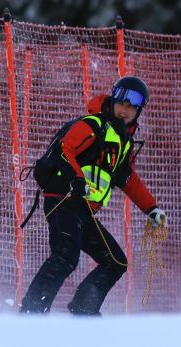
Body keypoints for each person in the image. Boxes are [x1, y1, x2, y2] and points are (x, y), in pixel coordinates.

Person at [20, 76, 167, 315]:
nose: (125, 110)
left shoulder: (122, 143)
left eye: (132, 107)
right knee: (66, 256)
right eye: (122, 103)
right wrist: (77, 179)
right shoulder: (92, 125)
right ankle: (31, 312)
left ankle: (83, 310)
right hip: (63, 199)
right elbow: (65, 150)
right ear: (113, 99)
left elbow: (127, 178)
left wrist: (151, 208)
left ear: (139, 111)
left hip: (83, 209)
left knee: (115, 262)